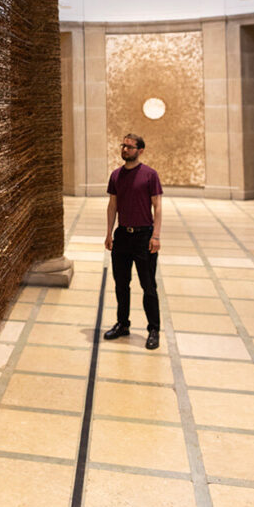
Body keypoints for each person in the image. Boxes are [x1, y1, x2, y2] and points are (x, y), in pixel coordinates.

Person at [103, 133, 163, 350]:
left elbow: (157, 207)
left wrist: (155, 235)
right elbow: (112, 206)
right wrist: (109, 233)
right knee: (121, 283)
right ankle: (122, 324)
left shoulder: (150, 175)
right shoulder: (116, 175)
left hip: (144, 237)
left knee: (148, 286)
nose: (125, 150)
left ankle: (153, 329)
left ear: (140, 150)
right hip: (122, 237)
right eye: (123, 146)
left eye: (129, 147)